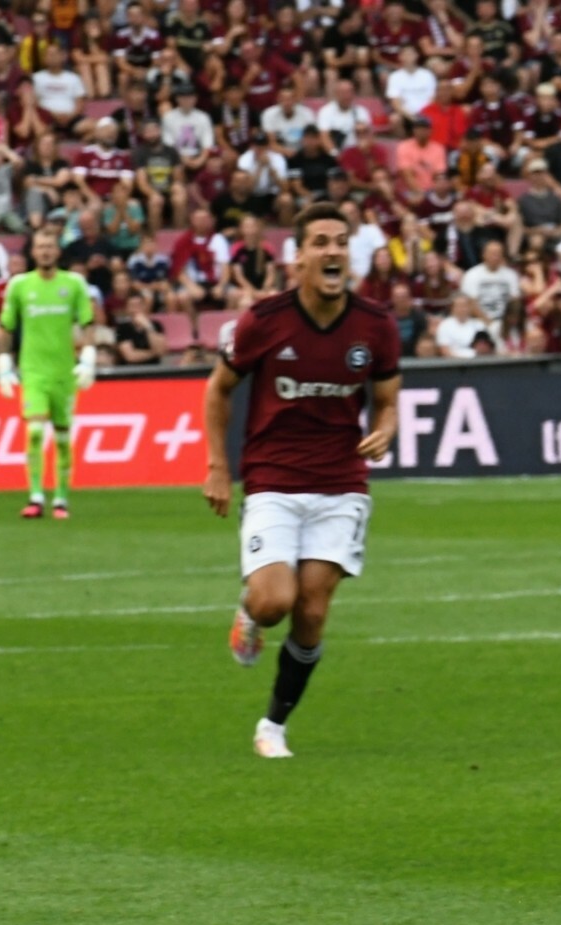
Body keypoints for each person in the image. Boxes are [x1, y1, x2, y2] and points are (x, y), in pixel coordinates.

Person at [201, 202, 402, 760]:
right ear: (299, 258)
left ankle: (273, 725)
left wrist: (386, 429)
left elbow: (387, 399)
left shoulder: (376, 326)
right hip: (273, 480)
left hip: (341, 483)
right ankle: (250, 612)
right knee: (275, 603)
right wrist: (218, 466)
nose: (332, 251)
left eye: (340, 241)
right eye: (320, 242)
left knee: (312, 611)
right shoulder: (264, 321)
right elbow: (218, 389)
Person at [0, 229, 96, 519]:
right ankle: (36, 496)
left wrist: (88, 358)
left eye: (50, 246)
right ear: (33, 252)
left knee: (63, 438)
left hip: (64, 373)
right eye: (40, 246)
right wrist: (3, 362)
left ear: (57, 251)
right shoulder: (19, 285)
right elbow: (6, 326)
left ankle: (61, 499)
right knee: (35, 432)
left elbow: (88, 323)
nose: (45, 251)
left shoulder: (74, 284)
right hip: (33, 372)